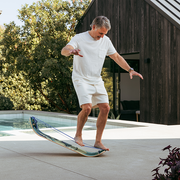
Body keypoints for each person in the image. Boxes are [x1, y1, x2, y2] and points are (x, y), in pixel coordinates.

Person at [61, 16, 143, 151]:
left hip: (96, 79)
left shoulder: (105, 40)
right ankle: (78, 135)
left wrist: (130, 69)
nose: (102, 37)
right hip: (81, 78)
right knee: (87, 108)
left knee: (105, 108)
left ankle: (98, 141)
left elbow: (116, 56)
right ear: (93, 27)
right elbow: (64, 50)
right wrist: (71, 51)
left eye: (104, 34)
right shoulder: (79, 38)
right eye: (100, 33)